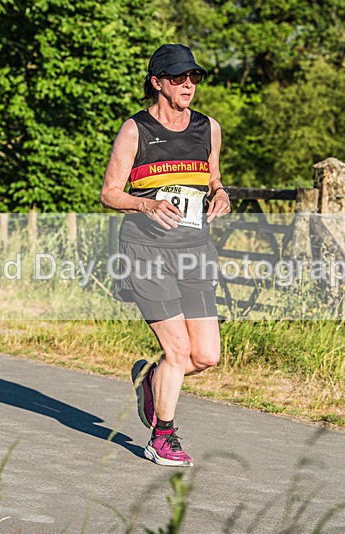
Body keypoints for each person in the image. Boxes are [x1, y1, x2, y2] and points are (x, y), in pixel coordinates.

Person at [99, 44, 230, 467]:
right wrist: (147, 204)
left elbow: (212, 176)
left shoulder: (209, 128)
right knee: (177, 351)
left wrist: (220, 193)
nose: (188, 84)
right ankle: (162, 437)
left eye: (193, 77)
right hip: (146, 251)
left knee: (206, 356)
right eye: (178, 78)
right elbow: (109, 193)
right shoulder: (135, 130)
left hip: (193, 249)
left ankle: (150, 380)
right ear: (157, 83)